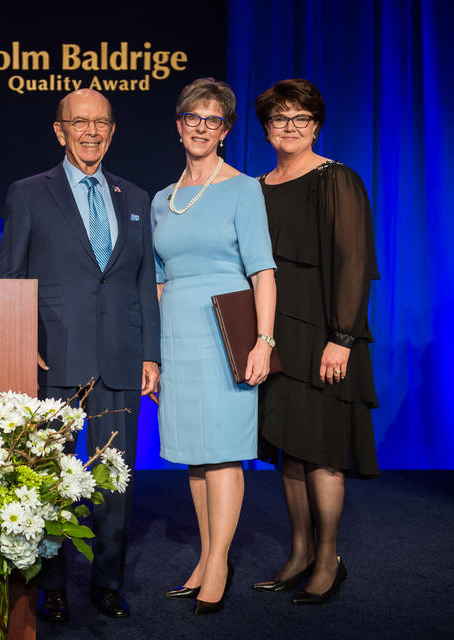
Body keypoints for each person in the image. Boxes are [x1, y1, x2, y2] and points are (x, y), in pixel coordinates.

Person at [0, 88, 160, 623]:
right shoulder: (27, 193)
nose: (91, 131)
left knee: (114, 481)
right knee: (48, 481)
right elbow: (10, 280)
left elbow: (142, 285)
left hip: (119, 359)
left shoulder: (135, 197)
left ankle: (108, 584)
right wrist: (20, 343)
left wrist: (150, 355)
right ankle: (53, 587)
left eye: (102, 123)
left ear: (112, 130)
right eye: (80, 122)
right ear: (59, 129)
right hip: (53, 360)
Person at [151, 78, 276, 615]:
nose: (202, 127)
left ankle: (219, 562)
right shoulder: (162, 199)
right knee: (194, 457)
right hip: (176, 332)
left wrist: (263, 341)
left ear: (225, 131)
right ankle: (205, 556)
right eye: (193, 118)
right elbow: (156, 280)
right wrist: (151, 353)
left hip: (228, 332)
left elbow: (263, 271)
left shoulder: (244, 188)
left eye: (214, 120)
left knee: (222, 452)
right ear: (178, 126)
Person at [252, 78, 379, 605]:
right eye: (280, 118)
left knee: (324, 453)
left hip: (326, 336)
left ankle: (329, 560)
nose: (290, 127)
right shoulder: (255, 186)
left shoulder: (337, 179)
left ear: (316, 125)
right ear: (265, 128)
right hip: (276, 335)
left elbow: (354, 264)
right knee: (292, 453)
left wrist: (342, 337)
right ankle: (300, 553)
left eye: (301, 118)